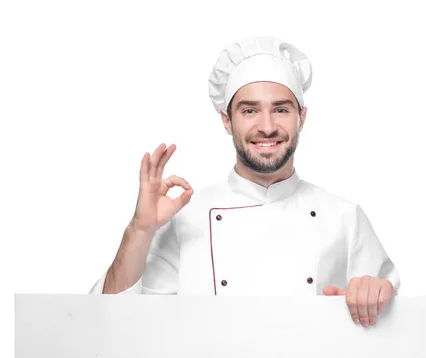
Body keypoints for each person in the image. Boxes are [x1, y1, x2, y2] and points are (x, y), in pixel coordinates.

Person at [89, 36, 401, 328]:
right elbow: (107, 323)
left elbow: (397, 327)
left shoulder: (344, 217)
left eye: (280, 109)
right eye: (249, 110)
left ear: (301, 118)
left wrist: (378, 294)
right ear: (227, 120)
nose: (267, 127)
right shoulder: (185, 217)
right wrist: (140, 229)